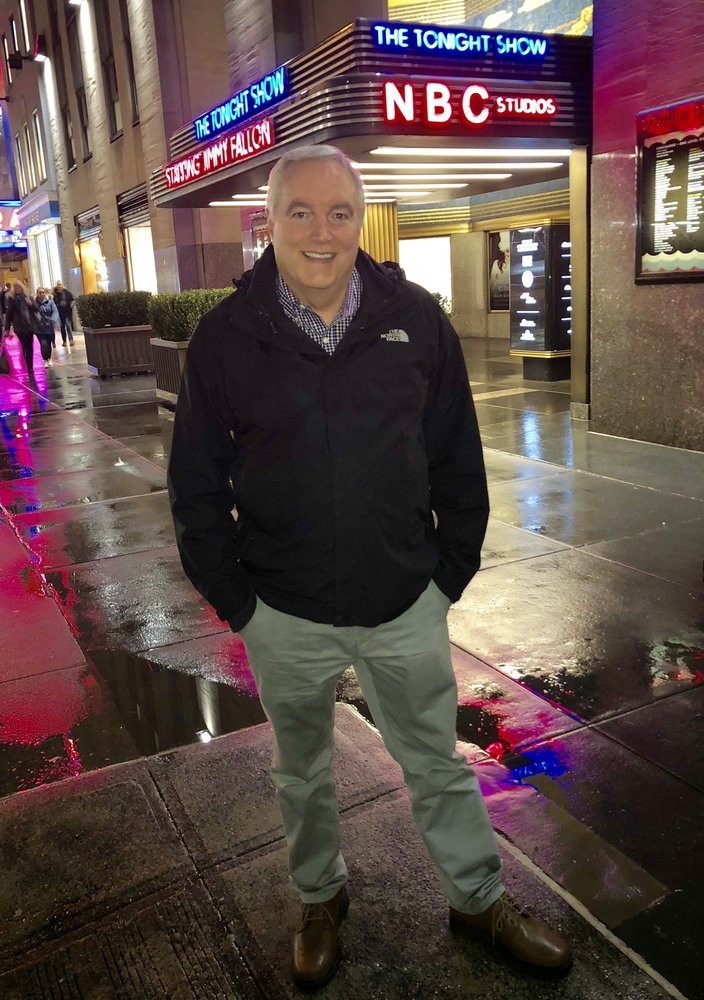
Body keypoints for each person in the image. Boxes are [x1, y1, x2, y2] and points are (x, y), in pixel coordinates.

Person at [168, 145, 572, 991]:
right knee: (301, 772)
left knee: (437, 763)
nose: (321, 231)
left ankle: (477, 899)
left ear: (360, 221)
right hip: (283, 610)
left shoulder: (414, 319)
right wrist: (241, 605)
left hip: (402, 603)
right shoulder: (225, 337)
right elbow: (196, 485)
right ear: (268, 223)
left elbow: (457, 458)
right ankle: (320, 898)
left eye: (339, 212)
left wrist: (444, 578)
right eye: (301, 212)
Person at [4, 281, 41, 379]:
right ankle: (27, 365)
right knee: (24, 346)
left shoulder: (28, 297)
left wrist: (30, 304)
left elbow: (36, 308)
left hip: (29, 325)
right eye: (15, 287)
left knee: (30, 346)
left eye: (19, 287)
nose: (17, 289)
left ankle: (30, 366)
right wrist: (7, 328)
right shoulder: (12, 299)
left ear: (22, 287)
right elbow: (9, 314)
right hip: (19, 327)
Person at [35, 287, 59, 368]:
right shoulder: (35, 303)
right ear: (37, 293)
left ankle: (49, 358)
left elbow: (55, 311)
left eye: (43, 292)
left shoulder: (50, 302)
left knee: (48, 344)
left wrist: (53, 319)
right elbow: (33, 312)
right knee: (43, 344)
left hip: (49, 327)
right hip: (39, 328)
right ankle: (44, 359)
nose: (42, 294)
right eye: (40, 292)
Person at [53, 280, 75, 346]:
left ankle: (71, 340)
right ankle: (64, 341)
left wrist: (71, 305)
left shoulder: (67, 293)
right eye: (58, 285)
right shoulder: (55, 294)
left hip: (67, 312)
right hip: (60, 313)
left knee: (68, 326)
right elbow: (54, 302)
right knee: (62, 327)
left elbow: (72, 299)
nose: (59, 286)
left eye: (60, 285)